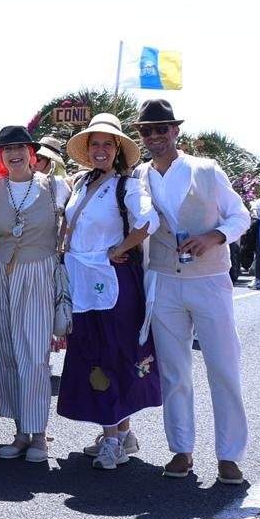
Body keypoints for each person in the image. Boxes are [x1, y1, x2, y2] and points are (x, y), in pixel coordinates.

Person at [135, 99, 251, 486]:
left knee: (223, 366)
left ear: (175, 131)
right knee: (174, 372)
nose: (154, 137)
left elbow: (240, 215)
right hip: (164, 280)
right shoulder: (140, 176)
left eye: (161, 129)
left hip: (209, 279)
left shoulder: (206, 170)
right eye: (147, 131)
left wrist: (215, 236)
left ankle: (229, 456)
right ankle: (181, 450)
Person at [56, 115, 159, 469]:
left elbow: (148, 221)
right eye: (95, 144)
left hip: (113, 283)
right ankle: (120, 432)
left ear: (118, 150)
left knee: (115, 355)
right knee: (92, 353)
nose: (100, 150)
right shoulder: (81, 184)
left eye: (107, 144)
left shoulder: (127, 187)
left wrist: (119, 248)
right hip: (83, 282)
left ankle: (113, 439)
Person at [0, 126, 69, 463]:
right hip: (0, 275)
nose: (14, 153)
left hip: (38, 272)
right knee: (6, 351)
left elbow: (76, 224)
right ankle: (20, 432)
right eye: (7, 148)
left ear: (32, 153)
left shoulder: (55, 187)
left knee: (34, 354)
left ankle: (39, 436)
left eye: (20, 147)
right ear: (0, 156)